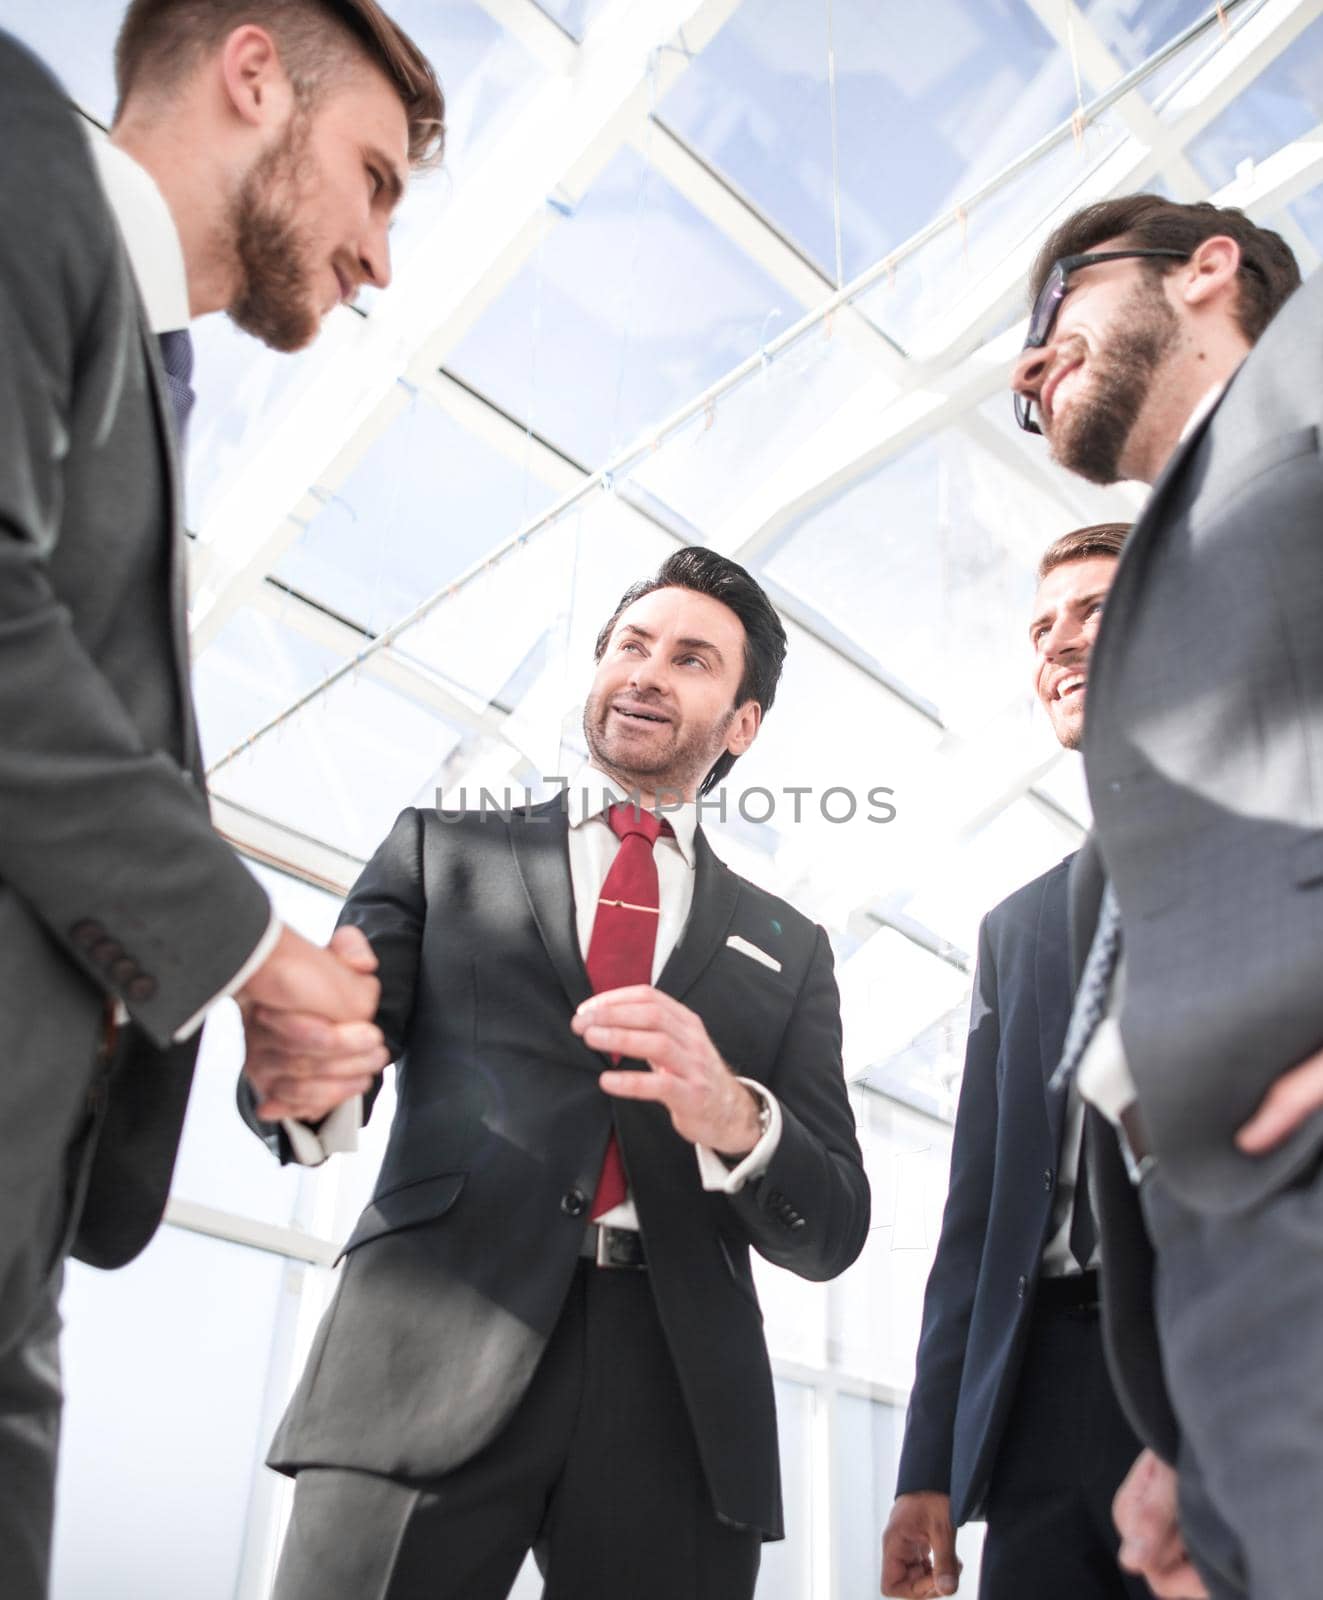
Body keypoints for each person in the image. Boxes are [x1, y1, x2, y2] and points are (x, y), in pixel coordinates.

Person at [0, 5, 442, 1593]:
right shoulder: (12, 154)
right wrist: (257, 957)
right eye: (374, 182)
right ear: (254, 76)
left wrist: (239, 991)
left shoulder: (153, 377)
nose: (380, 256)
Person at [238, 547, 872, 1600]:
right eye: (631, 645)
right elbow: (334, 1046)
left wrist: (732, 1115)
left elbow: (836, 1221)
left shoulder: (789, 945)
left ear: (743, 724)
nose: (647, 672)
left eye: (691, 659)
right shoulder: (440, 850)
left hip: (680, 1397)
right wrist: (303, 1078)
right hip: (425, 1345)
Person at [1011, 193, 1323, 1598]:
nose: (1024, 370)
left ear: (1206, 272)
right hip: (1226, 1314)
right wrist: (1177, 1424)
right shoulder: (1185, 559)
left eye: (1053, 310)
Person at [881, 524, 1149, 1600]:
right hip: (1041, 1395)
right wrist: (927, 1467)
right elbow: (978, 1216)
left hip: (1231, 1368)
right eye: (1042, 627)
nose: (1059, 642)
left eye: (1091, 610)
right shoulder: (1019, 929)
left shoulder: (1283, 833)